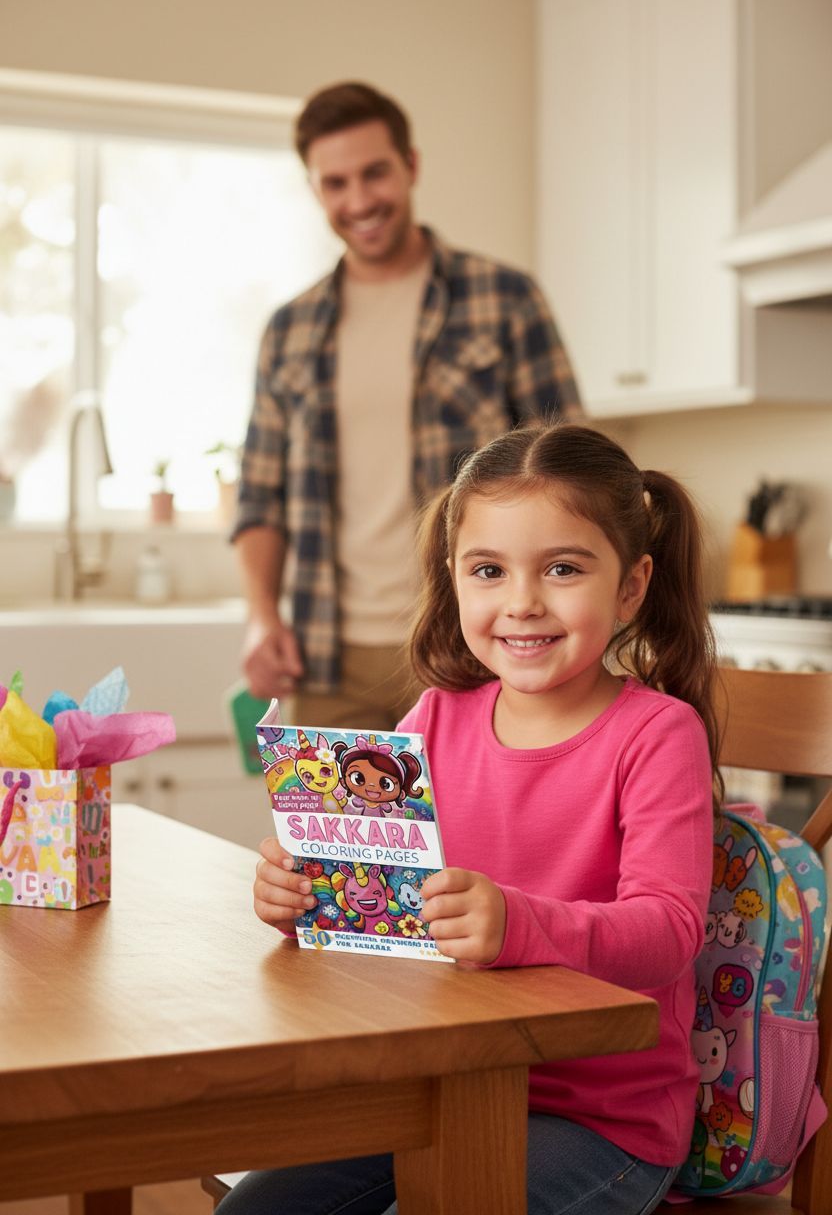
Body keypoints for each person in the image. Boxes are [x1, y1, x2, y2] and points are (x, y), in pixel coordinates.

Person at [223, 423, 721, 1215]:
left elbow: (666, 932)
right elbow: (380, 902)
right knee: (252, 1211)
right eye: (489, 570)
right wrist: (304, 896)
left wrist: (517, 922)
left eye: (563, 568)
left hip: (601, 1121)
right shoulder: (431, 721)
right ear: (455, 579)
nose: (522, 601)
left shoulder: (657, 735)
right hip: (436, 1083)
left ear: (630, 587)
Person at [233, 81, 579, 728]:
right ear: (316, 191)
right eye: (335, 183)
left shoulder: (503, 299)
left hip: (474, 645)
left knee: (480, 833)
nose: (359, 200)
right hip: (328, 657)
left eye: (375, 173)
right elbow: (260, 497)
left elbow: (570, 472)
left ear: (411, 166)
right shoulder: (290, 330)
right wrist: (261, 616)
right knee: (326, 834)